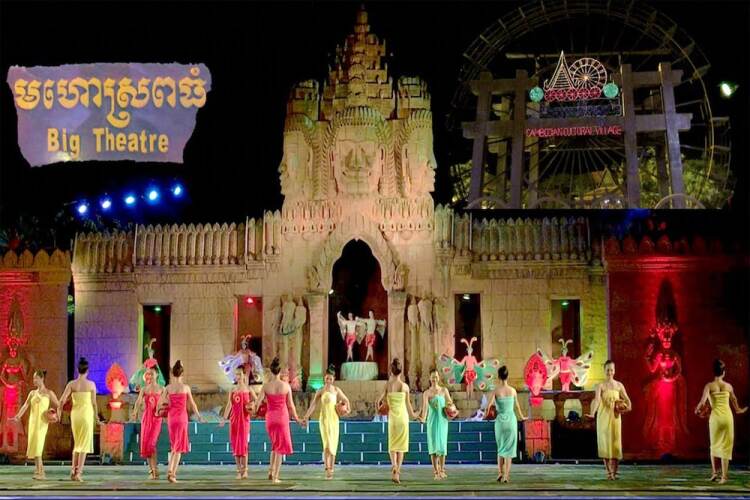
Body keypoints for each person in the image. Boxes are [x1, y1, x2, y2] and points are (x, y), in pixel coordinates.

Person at [694, 359, 748, 484]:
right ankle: (724, 477)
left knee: (714, 445)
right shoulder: (728, 386)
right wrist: (740, 410)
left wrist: (697, 410)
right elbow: (735, 404)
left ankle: (714, 473)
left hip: (715, 419)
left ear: (714, 372)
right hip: (727, 418)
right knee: (725, 447)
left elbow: (702, 402)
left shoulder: (709, 386)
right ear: (724, 372)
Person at [256, 357, 302, 483]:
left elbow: (257, 403)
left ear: (271, 371)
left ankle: (271, 471)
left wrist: (253, 410)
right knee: (279, 448)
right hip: (282, 418)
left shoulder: (266, 386)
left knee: (275, 445)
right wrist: (297, 418)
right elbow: (291, 406)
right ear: (280, 371)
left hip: (270, 418)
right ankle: (275, 476)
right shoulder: (286, 386)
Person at [158, 360, 205, 483]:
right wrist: (199, 416)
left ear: (172, 373)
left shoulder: (168, 388)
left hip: (171, 418)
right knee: (178, 447)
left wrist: (159, 411)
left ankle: (170, 471)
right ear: (182, 374)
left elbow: (161, 403)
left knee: (174, 445)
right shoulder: (185, 388)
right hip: (181, 418)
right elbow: (193, 404)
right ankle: (172, 473)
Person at [301, 364, 351, 479]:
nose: (328, 380)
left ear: (334, 379)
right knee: (327, 443)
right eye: (327, 378)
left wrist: (347, 410)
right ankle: (327, 468)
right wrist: (306, 416)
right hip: (324, 419)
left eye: (330, 379)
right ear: (324, 378)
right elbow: (313, 405)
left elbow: (346, 400)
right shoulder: (320, 390)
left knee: (333, 443)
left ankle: (331, 468)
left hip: (334, 419)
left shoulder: (336, 390)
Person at [587, 359, 632, 480]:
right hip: (603, 417)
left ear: (614, 371)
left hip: (615, 418)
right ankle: (609, 473)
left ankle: (615, 473)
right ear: (604, 371)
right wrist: (592, 413)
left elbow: (627, 399)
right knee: (605, 444)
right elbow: (597, 400)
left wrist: (628, 407)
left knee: (615, 444)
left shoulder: (619, 385)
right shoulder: (600, 386)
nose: (610, 372)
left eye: (612, 370)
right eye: (607, 370)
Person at [11, 369, 59, 480]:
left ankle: (40, 472)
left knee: (38, 446)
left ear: (41, 378)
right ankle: (39, 471)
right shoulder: (32, 393)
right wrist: (17, 416)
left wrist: (55, 416)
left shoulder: (49, 393)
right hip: (32, 423)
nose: (34, 380)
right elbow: (25, 405)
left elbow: (58, 404)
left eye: (35, 378)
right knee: (34, 447)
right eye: (33, 378)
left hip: (42, 423)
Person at [58, 357, 100, 482]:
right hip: (86, 415)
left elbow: (62, 400)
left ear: (78, 370)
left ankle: (73, 470)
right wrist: (96, 417)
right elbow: (94, 403)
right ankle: (78, 473)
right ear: (87, 370)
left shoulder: (72, 384)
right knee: (84, 444)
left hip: (75, 415)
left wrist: (59, 412)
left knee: (78, 443)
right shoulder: (91, 384)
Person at [376, 358, 417, 484]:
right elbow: (408, 405)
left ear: (391, 370)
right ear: (401, 371)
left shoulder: (388, 385)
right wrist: (415, 416)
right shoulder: (405, 386)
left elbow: (378, 401)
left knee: (392, 445)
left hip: (392, 419)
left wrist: (379, 411)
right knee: (401, 447)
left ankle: (393, 465)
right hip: (403, 418)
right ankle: (397, 472)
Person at [486, 365, 527, 483]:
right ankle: (506, 476)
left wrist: (485, 415)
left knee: (500, 448)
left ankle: (500, 473)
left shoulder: (496, 391)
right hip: (511, 421)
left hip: (500, 422)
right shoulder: (513, 391)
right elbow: (517, 407)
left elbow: (488, 406)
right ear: (507, 376)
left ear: (499, 377)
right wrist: (522, 417)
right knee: (509, 450)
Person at [220, 364, 256, 479]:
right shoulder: (233, 390)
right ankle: (238, 470)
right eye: (236, 374)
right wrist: (224, 419)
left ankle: (245, 470)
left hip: (244, 421)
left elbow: (257, 401)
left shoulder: (249, 390)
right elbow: (229, 405)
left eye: (239, 374)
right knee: (235, 445)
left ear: (244, 375)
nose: (238, 377)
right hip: (234, 421)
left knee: (243, 445)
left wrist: (252, 406)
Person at [418, 368, 453, 480]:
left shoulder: (444, 390)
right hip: (432, 421)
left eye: (436, 377)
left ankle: (442, 470)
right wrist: (422, 419)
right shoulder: (427, 393)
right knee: (433, 446)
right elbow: (425, 408)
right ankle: (436, 471)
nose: (434, 379)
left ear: (439, 377)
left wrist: (451, 408)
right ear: (430, 378)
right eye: (433, 377)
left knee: (442, 445)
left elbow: (450, 403)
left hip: (443, 420)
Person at [130, 366, 163, 479]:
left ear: (157, 375)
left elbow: (166, 403)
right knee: (146, 444)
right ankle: (152, 470)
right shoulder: (144, 389)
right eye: (148, 374)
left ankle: (155, 469)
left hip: (156, 418)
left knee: (152, 444)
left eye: (152, 374)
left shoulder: (162, 389)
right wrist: (135, 412)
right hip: (146, 418)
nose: (149, 376)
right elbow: (138, 402)